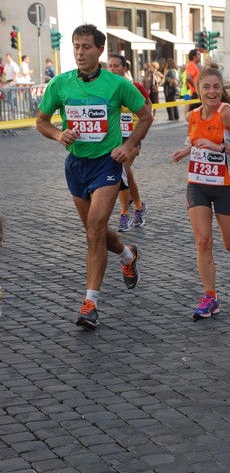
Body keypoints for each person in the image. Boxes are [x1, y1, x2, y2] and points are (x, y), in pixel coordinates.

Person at [36, 24, 153, 330]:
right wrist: (58, 134)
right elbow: (41, 121)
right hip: (76, 166)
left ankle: (90, 304)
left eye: (86, 47)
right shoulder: (60, 84)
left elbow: (146, 115)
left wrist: (128, 146)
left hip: (106, 164)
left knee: (94, 228)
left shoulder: (116, 84)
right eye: (76, 46)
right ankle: (128, 255)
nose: (80, 52)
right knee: (95, 231)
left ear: (100, 50)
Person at [172, 66, 230, 320]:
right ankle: (210, 297)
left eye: (216, 87)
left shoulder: (226, 114)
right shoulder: (192, 116)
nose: (212, 92)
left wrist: (219, 147)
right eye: (206, 87)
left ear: (220, 90)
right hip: (198, 184)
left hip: (227, 186)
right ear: (199, 90)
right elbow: (194, 142)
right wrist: (186, 151)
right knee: (203, 240)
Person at [108, 54, 151, 231]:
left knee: (122, 169)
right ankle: (139, 206)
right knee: (125, 172)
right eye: (109, 66)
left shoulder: (135, 87)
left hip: (132, 138)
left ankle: (125, 213)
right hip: (114, 139)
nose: (112, 69)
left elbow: (148, 107)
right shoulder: (106, 89)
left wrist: (141, 128)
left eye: (116, 66)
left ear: (125, 68)